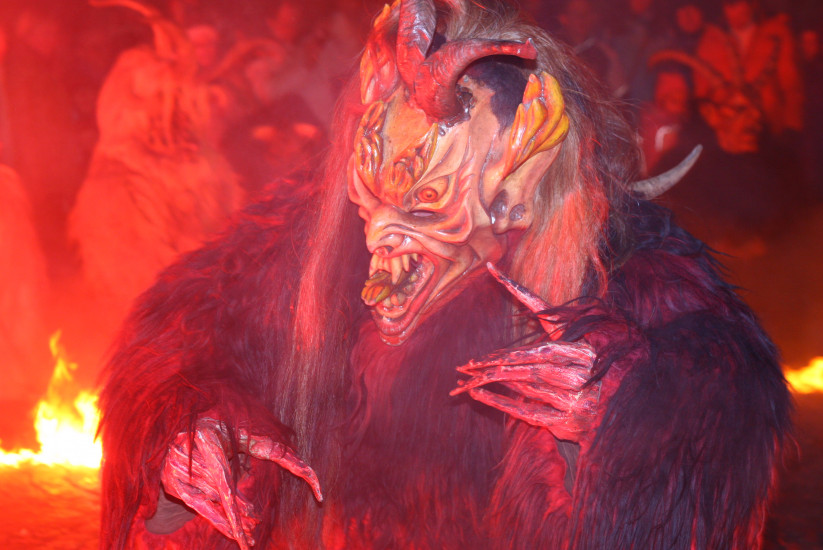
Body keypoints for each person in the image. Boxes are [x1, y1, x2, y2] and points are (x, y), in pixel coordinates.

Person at [98, 1, 791, 548]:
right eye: (371, 195)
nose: (380, 238)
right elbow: (189, 331)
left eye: (425, 203)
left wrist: (628, 418)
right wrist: (193, 431)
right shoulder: (308, 234)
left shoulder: (624, 268)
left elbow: (719, 394)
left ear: (517, 184)